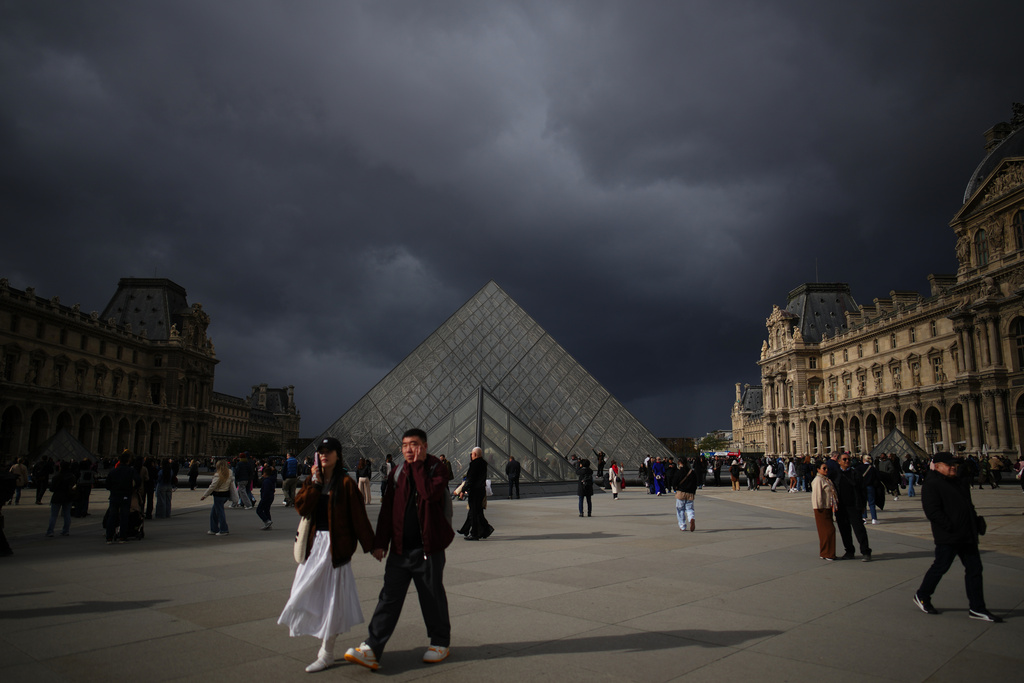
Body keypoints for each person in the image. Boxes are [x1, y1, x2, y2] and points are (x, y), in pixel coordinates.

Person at [344, 428, 455, 671]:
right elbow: (387, 511)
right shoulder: (396, 473)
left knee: (432, 596)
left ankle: (440, 642)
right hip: (400, 550)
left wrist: (416, 467)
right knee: (388, 598)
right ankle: (372, 648)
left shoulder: (437, 468)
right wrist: (380, 542)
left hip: (429, 548)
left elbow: (429, 493)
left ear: (424, 446)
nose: (408, 449)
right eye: (404, 445)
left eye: (413, 444)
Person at [279, 437, 376, 672]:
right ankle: (323, 644)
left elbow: (359, 517)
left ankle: (326, 652)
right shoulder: (313, 480)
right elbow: (301, 507)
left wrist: (373, 545)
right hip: (314, 546)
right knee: (301, 592)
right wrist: (314, 482)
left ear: (337, 455)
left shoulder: (346, 484)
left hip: (336, 547)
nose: (324, 455)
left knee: (333, 602)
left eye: (328, 451)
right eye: (321, 452)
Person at [913, 452, 1002, 622]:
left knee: (975, 569)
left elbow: (967, 505)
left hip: (967, 534)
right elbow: (933, 512)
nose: (953, 467)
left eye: (954, 464)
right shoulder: (932, 484)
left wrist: (975, 522)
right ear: (937, 466)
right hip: (950, 535)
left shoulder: (957, 482)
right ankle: (922, 594)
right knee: (941, 567)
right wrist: (950, 527)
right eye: (949, 464)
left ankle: (977, 607)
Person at [835, 453, 872, 561]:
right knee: (844, 530)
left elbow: (862, 490)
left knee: (859, 529)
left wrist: (862, 505)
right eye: (844, 459)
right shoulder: (835, 474)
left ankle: (866, 551)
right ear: (839, 462)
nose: (847, 461)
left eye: (848, 459)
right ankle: (849, 551)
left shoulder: (855, 473)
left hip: (853, 506)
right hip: (841, 507)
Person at [104, 451, 137, 544]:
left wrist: (113, 489)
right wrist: (131, 489)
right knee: (124, 517)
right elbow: (137, 482)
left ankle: (109, 537)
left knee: (112, 516)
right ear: (128, 461)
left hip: (114, 496)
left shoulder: (113, 471)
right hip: (125, 496)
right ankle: (122, 537)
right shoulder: (130, 471)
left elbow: (107, 485)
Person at [200, 460, 236, 535]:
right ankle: (214, 528)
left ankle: (223, 530)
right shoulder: (229, 472)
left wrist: (205, 495)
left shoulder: (218, 475)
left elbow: (212, 486)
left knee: (219, 513)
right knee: (214, 512)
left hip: (218, 495)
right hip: (225, 494)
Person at [811, 460, 838, 560]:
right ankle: (828, 553)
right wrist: (819, 508)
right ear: (818, 469)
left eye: (827, 468)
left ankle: (824, 552)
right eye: (824, 468)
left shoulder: (825, 479)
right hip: (821, 509)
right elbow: (817, 495)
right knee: (829, 531)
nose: (827, 470)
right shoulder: (818, 480)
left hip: (827, 508)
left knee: (825, 532)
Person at [464, 447, 492, 539]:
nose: (471, 456)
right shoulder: (484, 463)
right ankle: (486, 529)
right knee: (478, 511)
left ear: (475, 454)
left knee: (474, 512)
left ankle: (474, 533)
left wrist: (464, 489)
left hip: (474, 491)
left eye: (471, 454)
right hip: (481, 490)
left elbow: (470, 479)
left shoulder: (474, 464)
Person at [46, 461, 77, 537]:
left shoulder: (57, 477)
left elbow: (52, 489)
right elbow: (74, 487)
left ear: (61, 467)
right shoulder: (72, 477)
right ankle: (66, 531)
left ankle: (50, 531)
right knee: (67, 514)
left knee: (53, 515)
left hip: (57, 497)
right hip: (68, 497)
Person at [673, 457, 698, 531]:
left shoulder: (678, 472)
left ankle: (682, 526)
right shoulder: (692, 472)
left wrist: (675, 489)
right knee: (690, 509)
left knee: (680, 510)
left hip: (681, 493)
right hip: (690, 493)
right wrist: (693, 492)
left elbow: (674, 482)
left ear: (680, 463)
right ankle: (691, 518)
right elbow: (695, 483)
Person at [257, 464, 276, 530]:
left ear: (265, 473)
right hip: (270, 497)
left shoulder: (266, 481)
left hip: (266, 497)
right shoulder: (270, 480)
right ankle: (268, 522)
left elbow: (266, 491)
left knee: (259, 510)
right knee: (266, 510)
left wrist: (263, 498)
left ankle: (266, 521)